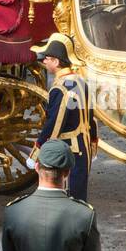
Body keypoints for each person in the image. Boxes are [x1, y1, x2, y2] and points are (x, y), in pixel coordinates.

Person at [30, 33, 97, 203]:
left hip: (69, 149)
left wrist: (37, 151)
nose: (44, 61)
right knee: (79, 194)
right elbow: (91, 118)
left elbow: (55, 124)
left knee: (66, 197)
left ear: (57, 61)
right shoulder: (81, 81)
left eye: (47, 58)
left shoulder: (61, 88)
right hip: (85, 145)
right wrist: (93, 144)